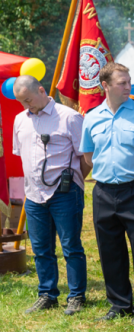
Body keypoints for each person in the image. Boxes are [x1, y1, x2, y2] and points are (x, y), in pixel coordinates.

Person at [80, 63, 134, 322]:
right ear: (105, 86)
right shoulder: (91, 117)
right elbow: (89, 156)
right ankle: (119, 304)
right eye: (122, 83)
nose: (128, 86)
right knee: (109, 250)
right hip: (103, 191)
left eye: (129, 81)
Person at [12, 75, 89, 315]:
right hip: (34, 195)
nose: (27, 106)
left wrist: (74, 180)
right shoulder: (19, 120)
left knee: (71, 246)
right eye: (21, 102)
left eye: (28, 100)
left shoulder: (69, 117)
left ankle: (76, 296)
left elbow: (85, 157)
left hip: (64, 193)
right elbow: (21, 154)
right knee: (41, 248)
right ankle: (47, 294)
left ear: (42, 90)